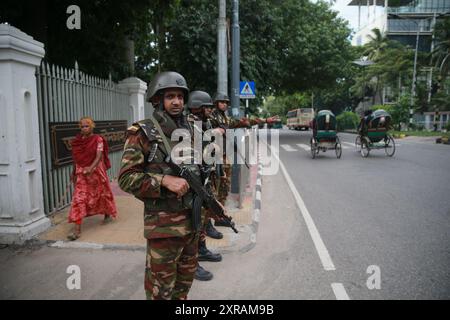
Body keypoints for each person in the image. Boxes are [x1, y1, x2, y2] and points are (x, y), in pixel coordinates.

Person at [118, 71, 222, 299]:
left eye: (180, 96)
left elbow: (200, 171)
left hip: (192, 227)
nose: (177, 101)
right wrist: (163, 180)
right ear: (157, 100)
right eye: (170, 96)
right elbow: (126, 178)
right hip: (164, 230)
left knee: (182, 289)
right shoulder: (143, 132)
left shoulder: (191, 131)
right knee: (160, 292)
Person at [209, 92, 278, 227]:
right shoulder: (211, 118)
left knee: (224, 186)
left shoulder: (225, 119)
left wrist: (264, 120)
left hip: (224, 156)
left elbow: (244, 121)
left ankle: (219, 217)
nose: (224, 104)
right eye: (221, 102)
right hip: (212, 157)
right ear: (216, 103)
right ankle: (208, 224)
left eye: (225, 103)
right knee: (212, 190)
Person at [187, 90, 224, 282]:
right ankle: (191, 261)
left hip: (204, 177)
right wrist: (212, 134)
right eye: (207, 107)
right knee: (193, 221)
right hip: (192, 181)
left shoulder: (205, 122)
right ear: (197, 107)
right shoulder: (189, 122)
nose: (210, 110)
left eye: (210, 107)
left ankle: (200, 250)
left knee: (201, 218)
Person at [67, 117, 117, 240]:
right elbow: (76, 158)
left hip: (96, 172)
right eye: (82, 126)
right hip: (81, 173)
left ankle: (107, 214)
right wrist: (73, 172)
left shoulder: (98, 139)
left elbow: (99, 156)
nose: (84, 128)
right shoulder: (77, 141)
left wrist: (91, 167)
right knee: (79, 198)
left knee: (102, 193)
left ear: (91, 126)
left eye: (87, 126)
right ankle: (77, 230)